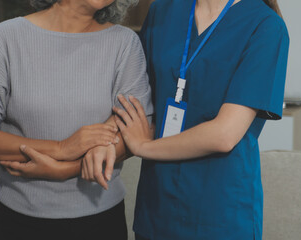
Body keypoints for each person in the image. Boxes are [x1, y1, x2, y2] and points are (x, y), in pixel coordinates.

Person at [0, 0, 153, 239]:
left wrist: (66, 169)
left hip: (101, 221)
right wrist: (61, 148)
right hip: (20, 222)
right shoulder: (3, 38)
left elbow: (133, 132)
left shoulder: (125, 43)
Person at [105, 0, 289, 239]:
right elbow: (136, 99)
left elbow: (224, 135)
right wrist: (102, 140)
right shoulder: (163, 10)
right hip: (156, 211)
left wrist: (144, 146)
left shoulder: (265, 26)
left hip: (219, 214)